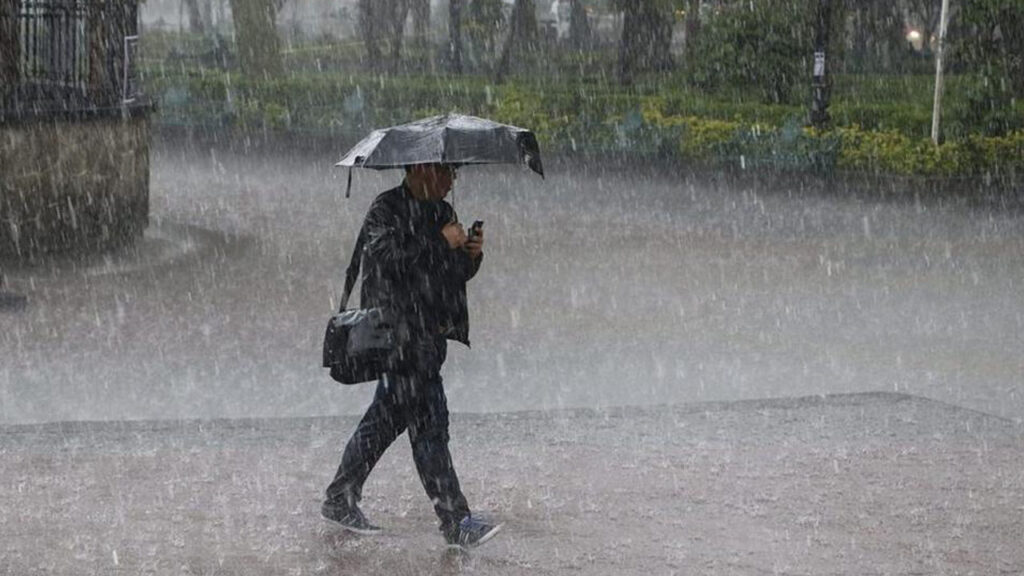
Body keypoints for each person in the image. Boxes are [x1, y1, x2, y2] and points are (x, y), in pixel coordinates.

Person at [321, 163, 502, 549]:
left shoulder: (443, 211)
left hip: (429, 337)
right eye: (446, 172)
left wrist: (470, 256)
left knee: (384, 421)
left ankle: (340, 497)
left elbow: (451, 273)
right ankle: (455, 520)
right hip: (399, 338)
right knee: (430, 428)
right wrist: (439, 241)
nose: (452, 180)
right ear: (421, 169)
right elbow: (388, 261)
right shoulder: (385, 209)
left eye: (454, 173)